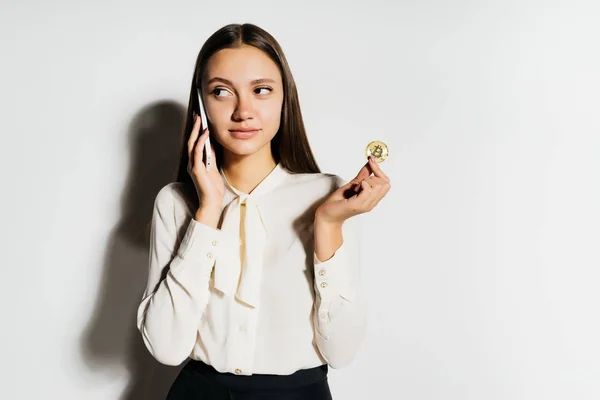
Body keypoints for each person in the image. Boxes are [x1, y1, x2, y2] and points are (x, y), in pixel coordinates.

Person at [136, 23, 391, 400]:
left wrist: (328, 224)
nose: (243, 111)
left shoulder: (329, 196)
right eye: (221, 91)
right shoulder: (175, 202)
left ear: (284, 98)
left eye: (261, 90)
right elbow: (166, 347)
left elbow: (342, 351)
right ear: (202, 104)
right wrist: (207, 211)